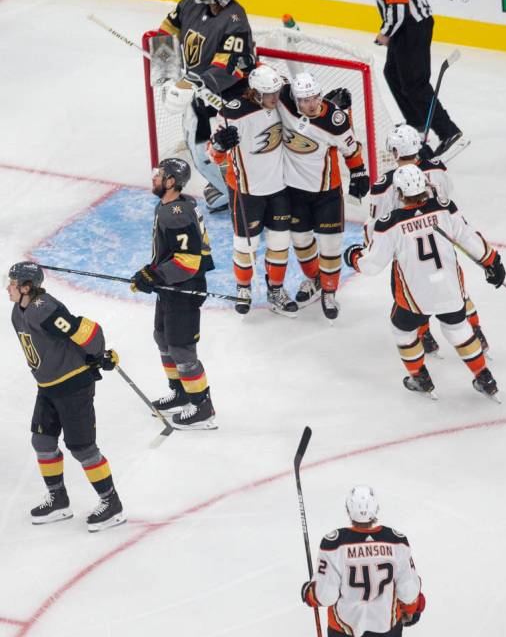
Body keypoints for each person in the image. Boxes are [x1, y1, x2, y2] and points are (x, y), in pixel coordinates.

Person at [344, 164, 504, 397]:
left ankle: (420, 377)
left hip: (416, 297)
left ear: (398, 193)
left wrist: (354, 256)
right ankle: (485, 377)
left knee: (401, 330)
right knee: (458, 329)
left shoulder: (390, 222)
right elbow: (470, 239)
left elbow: (371, 265)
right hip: (450, 289)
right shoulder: (444, 208)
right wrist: (493, 262)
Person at [8, 262, 125, 531]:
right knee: (42, 441)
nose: (8, 287)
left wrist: (98, 356)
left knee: (83, 448)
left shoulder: (45, 309)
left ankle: (111, 503)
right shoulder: (19, 310)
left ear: (27, 288)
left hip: (73, 387)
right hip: (48, 386)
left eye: (13, 283)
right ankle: (59, 500)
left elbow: (86, 331)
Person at [368, 124, 490, 356]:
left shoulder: (384, 184)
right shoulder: (437, 167)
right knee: (456, 290)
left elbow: (374, 225)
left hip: (405, 246)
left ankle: (423, 335)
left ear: (394, 151)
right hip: (440, 239)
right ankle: (476, 331)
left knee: (411, 291)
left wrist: (370, 247)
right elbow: (447, 195)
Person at [360, 0, 463, 159]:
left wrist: (386, 32)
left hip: (411, 26)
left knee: (414, 83)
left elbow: (398, 5)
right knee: (393, 73)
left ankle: (448, 131)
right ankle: (416, 123)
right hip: (406, 26)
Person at [131, 157, 217, 429]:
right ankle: (181, 392)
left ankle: (203, 407)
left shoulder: (175, 213)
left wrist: (153, 276)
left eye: (159, 174)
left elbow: (188, 261)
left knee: (181, 348)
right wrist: (151, 276)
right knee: (163, 338)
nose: (154, 177)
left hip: (184, 288)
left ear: (171, 182)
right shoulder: (171, 205)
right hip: (171, 286)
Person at [158, 0, 254, 213]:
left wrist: (196, 83)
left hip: (226, 94)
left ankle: (236, 188)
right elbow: (165, 34)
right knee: (197, 145)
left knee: (221, 145)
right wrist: (168, 75)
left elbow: (230, 64)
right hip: (196, 90)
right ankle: (225, 187)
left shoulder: (236, 19)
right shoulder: (189, 3)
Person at [278, 71, 370, 320]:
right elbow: (267, 77)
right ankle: (315, 280)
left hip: (327, 193)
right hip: (295, 192)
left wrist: (359, 173)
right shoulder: (283, 100)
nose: (311, 104)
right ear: (295, 100)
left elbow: (351, 150)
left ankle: (330, 292)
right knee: (301, 242)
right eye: (305, 100)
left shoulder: (335, 120)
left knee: (330, 245)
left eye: (315, 98)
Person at [208, 64, 297, 317]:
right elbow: (213, 155)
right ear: (254, 93)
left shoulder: (282, 104)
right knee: (245, 246)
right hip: (246, 191)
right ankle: (243, 287)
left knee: (280, 243)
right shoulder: (232, 114)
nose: (274, 99)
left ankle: (276, 289)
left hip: (279, 188)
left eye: (276, 92)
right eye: (268, 94)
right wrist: (219, 144)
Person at [301, 485, 425, 636]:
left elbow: (325, 596)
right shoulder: (396, 541)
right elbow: (409, 592)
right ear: (376, 508)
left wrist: (309, 594)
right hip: (388, 630)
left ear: (348, 509)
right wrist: (412, 609)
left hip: (343, 630)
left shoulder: (334, 544)